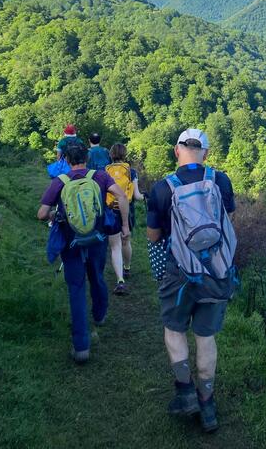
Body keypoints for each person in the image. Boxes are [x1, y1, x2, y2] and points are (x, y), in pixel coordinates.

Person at [147, 128, 236, 433]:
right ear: (206, 154)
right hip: (217, 273)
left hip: (179, 275)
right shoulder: (221, 181)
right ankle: (207, 405)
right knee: (206, 338)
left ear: (177, 151)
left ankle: (185, 393)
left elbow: (153, 236)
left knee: (174, 329)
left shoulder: (163, 188)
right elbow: (226, 222)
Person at [38, 142, 130, 363]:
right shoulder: (100, 176)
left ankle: (81, 348)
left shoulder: (60, 181)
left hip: (70, 242)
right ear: (86, 159)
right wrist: (125, 225)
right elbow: (121, 196)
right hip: (97, 239)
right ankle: (99, 314)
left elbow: (41, 214)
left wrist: (54, 215)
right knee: (97, 276)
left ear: (67, 161)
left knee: (76, 288)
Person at [105, 143, 143, 293]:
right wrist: (147, 197)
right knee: (126, 240)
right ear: (124, 154)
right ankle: (127, 268)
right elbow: (137, 196)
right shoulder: (131, 171)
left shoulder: (106, 171)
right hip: (128, 210)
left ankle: (120, 279)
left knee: (115, 246)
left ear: (111, 154)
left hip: (111, 210)